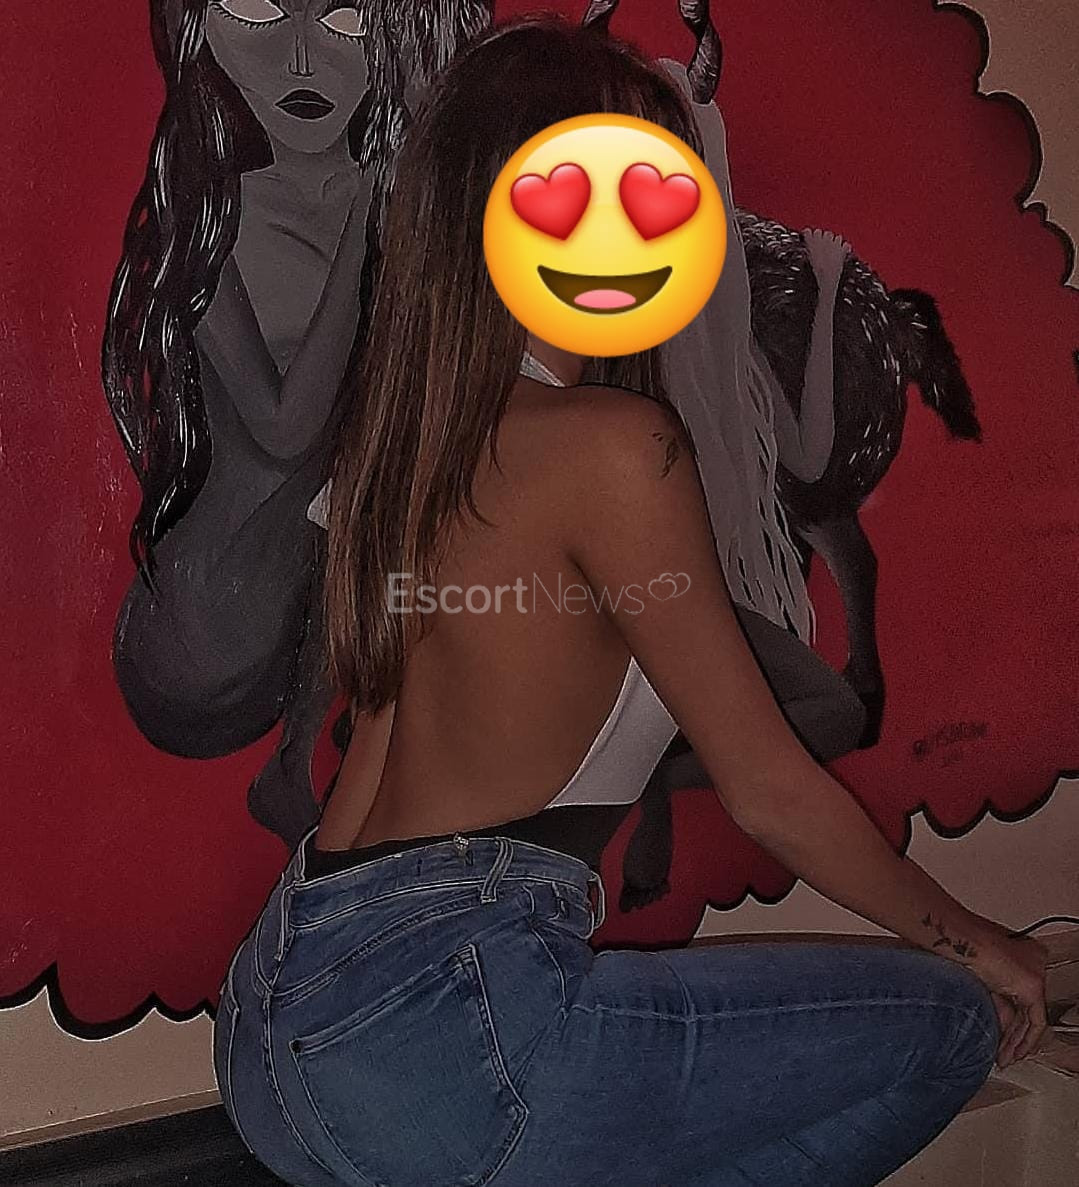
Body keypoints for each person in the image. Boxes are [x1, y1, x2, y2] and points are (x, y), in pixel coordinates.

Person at [213, 17, 1048, 1187]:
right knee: (949, 1019)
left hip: (278, 1017)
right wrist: (988, 947)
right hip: (442, 1032)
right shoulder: (613, 446)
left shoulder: (407, 441)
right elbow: (767, 787)